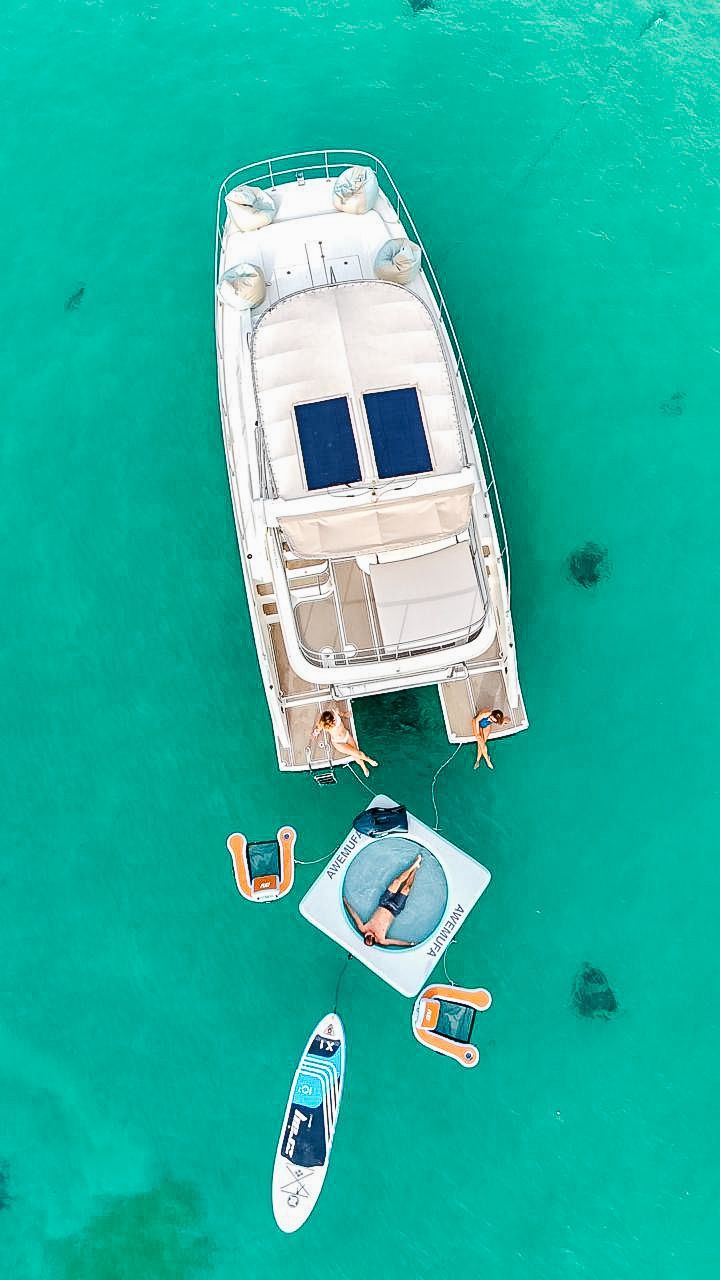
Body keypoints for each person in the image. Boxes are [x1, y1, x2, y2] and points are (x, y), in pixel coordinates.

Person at [342, 854, 422, 947]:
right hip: (395, 909)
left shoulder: (363, 929)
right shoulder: (382, 940)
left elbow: (354, 916)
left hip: (384, 902)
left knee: (396, 881)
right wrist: (411, 944)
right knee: (406, 888)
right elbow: (397, 942)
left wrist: (345, 902)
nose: (369, 932)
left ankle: (414, 865)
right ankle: (415, 869)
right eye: (371, 935)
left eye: (367, 934)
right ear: (374, 939)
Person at [311, 706, 378, 778]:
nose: (334, 721)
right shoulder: (323, 724)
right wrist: (315, 734)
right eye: (332, 722)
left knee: (356, 754)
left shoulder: (335, 712)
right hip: (338, 743)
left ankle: (364, 766)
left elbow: (341, 713)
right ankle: (368, 762)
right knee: (356, 753)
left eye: (333, 719)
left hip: (346, 736)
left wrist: (345, 714)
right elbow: (318, 729)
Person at [471, 706, 510, 770]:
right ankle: (486, 761)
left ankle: (478, 760)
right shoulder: (486, 714)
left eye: (493, 721)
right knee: (480, 742)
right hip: (477, 722)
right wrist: (478, 733)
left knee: (483, 742)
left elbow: (507, 719)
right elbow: (477, 720)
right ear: (491, 714)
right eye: (491, 719)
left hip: (486, 725)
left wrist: (504, 721)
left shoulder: (497, 719)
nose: (491, 720)